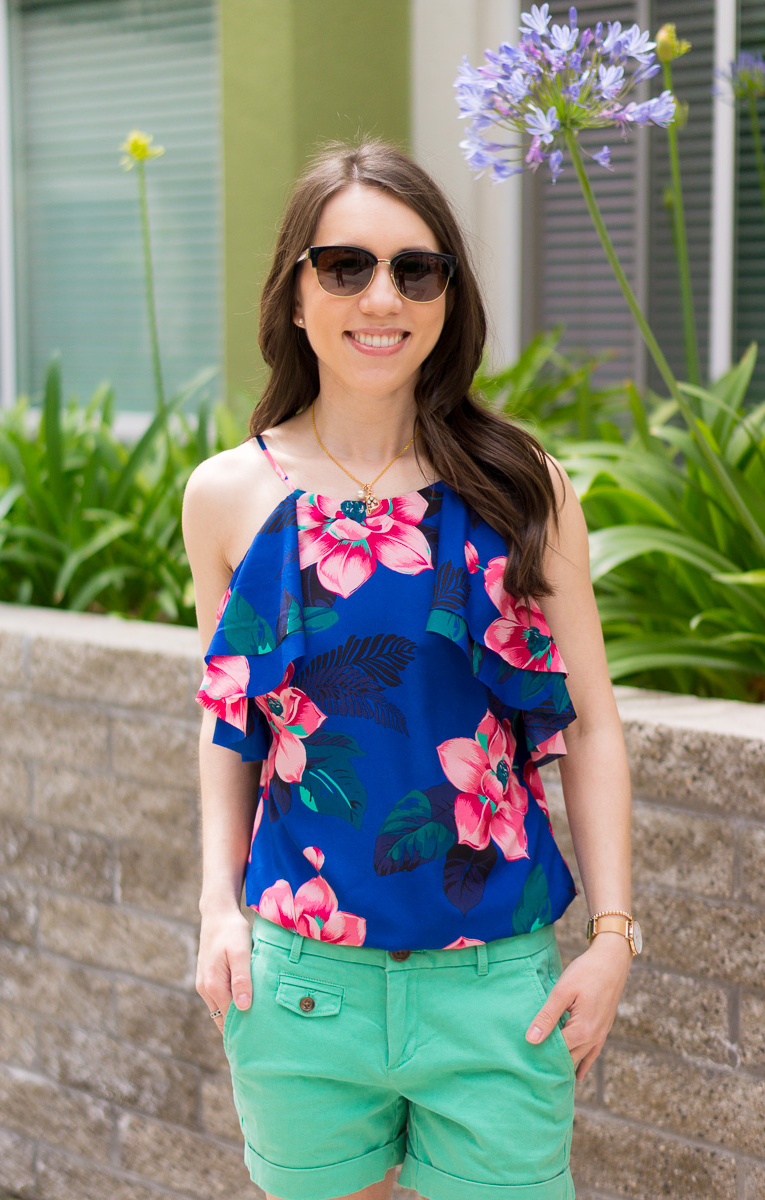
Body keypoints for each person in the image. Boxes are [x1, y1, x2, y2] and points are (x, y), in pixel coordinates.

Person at [181, 140, 638, 1200]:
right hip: (298, 986)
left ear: (444, 298)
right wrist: (216, 907)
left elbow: (594, 724)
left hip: (495, 989)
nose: (379, 295)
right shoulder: (226, 496)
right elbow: (228, 722)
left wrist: (612, 936)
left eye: (413, 268)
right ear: (295, 294)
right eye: (344, 266)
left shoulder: (521, 485)